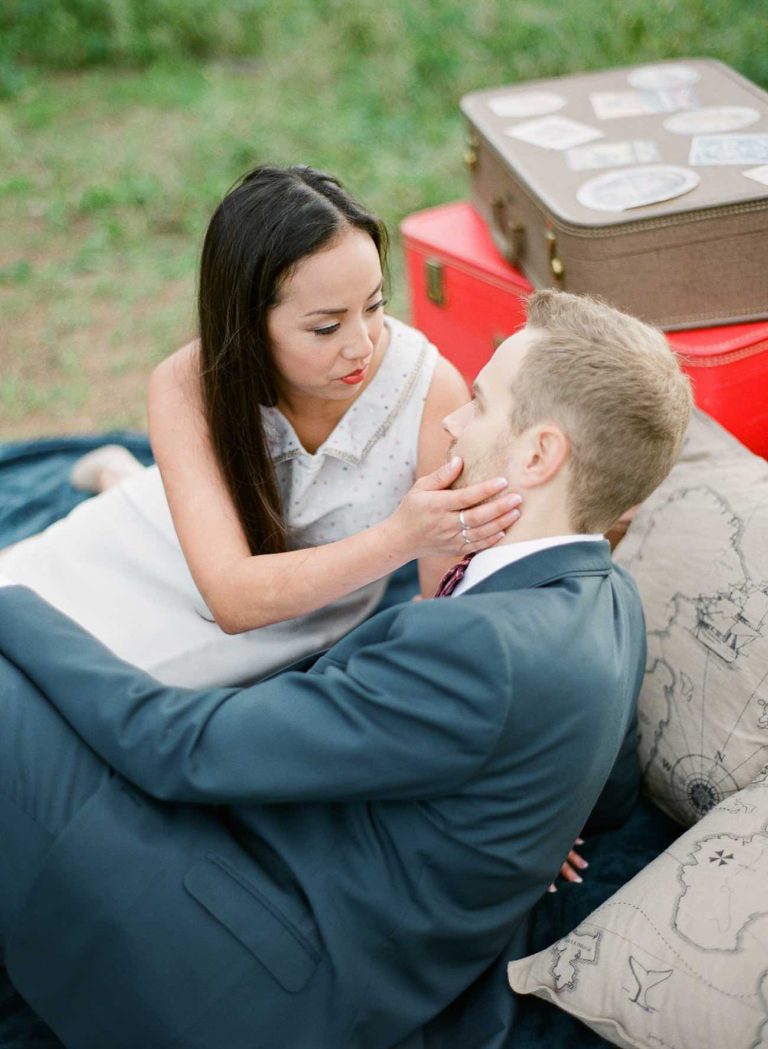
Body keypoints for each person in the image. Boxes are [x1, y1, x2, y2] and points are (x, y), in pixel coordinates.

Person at [0, 290, 692, 1049]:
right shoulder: (611, 601)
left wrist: (14, 603)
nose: (456, 419)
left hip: (240, 974)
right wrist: (525, 815)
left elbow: (181, 749)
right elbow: (611, 796)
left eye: (484, 402)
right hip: (329, 934)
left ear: (539, 454)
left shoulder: (484, 649)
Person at [0, 165, 519, 688]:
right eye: (326, 326)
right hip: (171, 550)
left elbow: (438, 604)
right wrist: (401, 538)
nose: (361, 343)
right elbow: (231, 598)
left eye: (375, 305)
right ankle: (131, 482)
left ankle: (123, 472)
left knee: (63, 693)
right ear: (248, 324)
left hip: (291, 612)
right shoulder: (190, 381)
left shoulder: (431, 392)